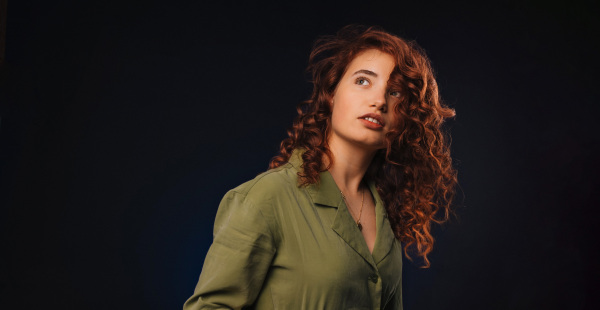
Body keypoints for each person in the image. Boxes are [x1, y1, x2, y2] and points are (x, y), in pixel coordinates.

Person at [183, 25, 457, 310]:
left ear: (406, 119)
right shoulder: (266, 198)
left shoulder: (384, 214)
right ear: (332, 93)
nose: (378, 101)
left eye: (396, 92)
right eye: (363, 81)